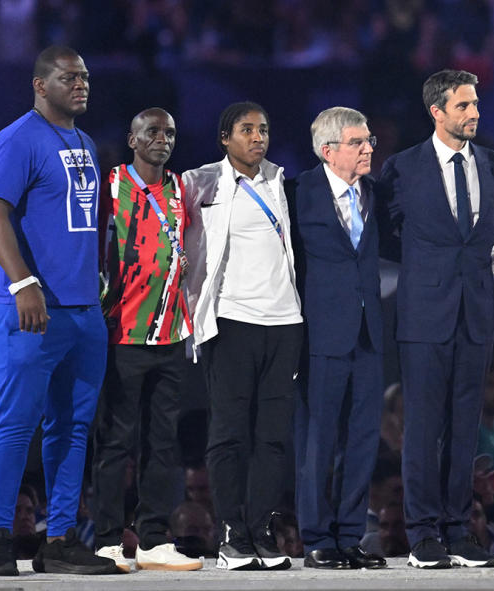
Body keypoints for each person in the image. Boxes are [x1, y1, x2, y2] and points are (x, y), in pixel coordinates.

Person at [0, 45, 119, 577]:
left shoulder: (81, 141)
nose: (81, 84)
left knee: (74, 427)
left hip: (82, 311)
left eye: (84, 76)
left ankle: (58, 539)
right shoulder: (16, 139)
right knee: (16, 423)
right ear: (40, 85)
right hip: (33, 307)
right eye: (68, 77)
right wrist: (23, 283)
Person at [376, 69, 494, 569]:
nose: (474, 112)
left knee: (464, 427)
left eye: (475, 104)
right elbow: (389, 235)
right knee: (422, 427)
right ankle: (422, 533)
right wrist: (426, 264)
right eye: (463, 106)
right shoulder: (402, 167)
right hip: (422, 314)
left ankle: (459, 529)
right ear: (437, 112)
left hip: (476, 313)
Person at [183, 101, 303, 571]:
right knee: (230, 433)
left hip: (285, 322)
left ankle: (261, 531)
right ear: (224, 137)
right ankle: (231, 533)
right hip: (231, 321)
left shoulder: (279, 180)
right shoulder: (201, 182)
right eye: (248, 129)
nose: (258, 137)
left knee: (272, 438)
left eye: (264, 129)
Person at [92, 107, 202, 572]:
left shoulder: (181, 188)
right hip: (123, 332)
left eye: (170, 132)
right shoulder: (109, 184)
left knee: (163, 443)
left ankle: (155, 537)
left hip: (171, 335)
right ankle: (107, 538)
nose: (163, 139)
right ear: (133, 139)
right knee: (116, 441)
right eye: (153, 132)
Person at [287, 106, 387, 570]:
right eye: (358, 142)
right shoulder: (297, 193)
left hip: (369, 333)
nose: (369, 148)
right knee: (318, 440)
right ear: (328, 150)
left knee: (364, 438)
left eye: (368, 140)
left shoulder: (376, 194)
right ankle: (316, 537)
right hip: (320, 334)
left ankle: (350, 535)